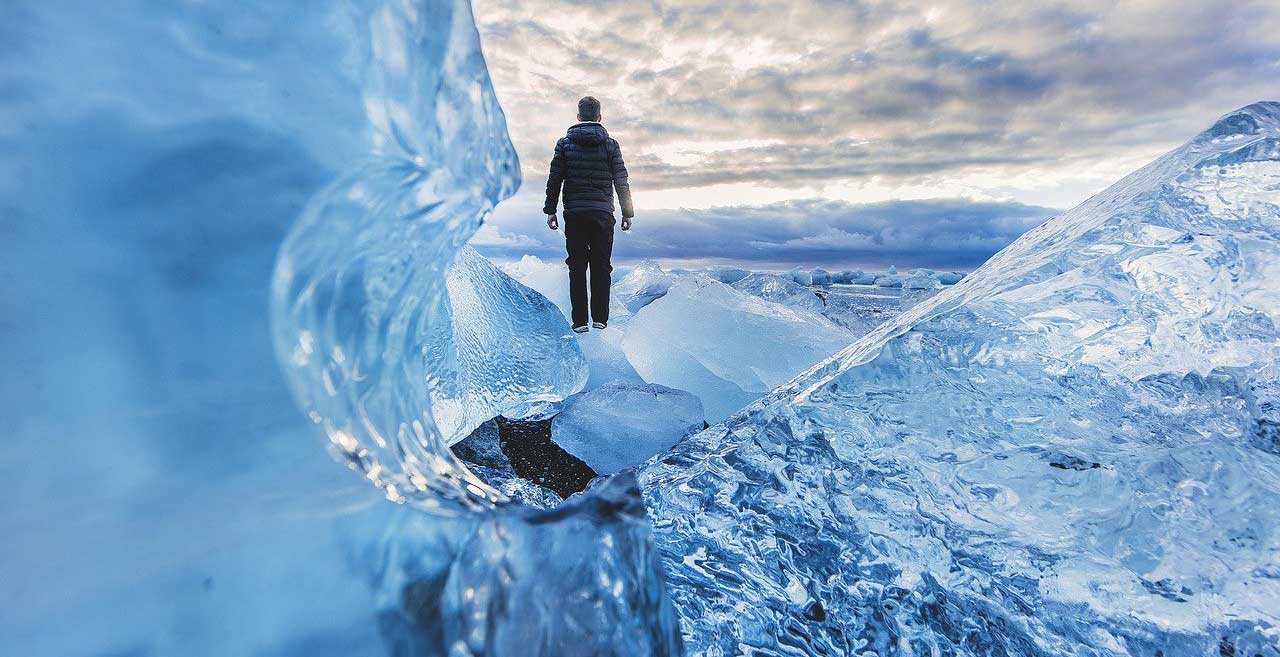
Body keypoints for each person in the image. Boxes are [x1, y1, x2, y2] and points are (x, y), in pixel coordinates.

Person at [544, 95, 634, 333]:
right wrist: (627, 212)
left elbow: (555, 179)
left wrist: (550, 210)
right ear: (599, 117)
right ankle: (600, 319)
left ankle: (580, 322)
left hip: (574, 213)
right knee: (601, 265)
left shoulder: (564, 144)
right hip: (603, 213)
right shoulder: (611, 145)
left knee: (576, 266)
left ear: (578, 116)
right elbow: (621, 180)